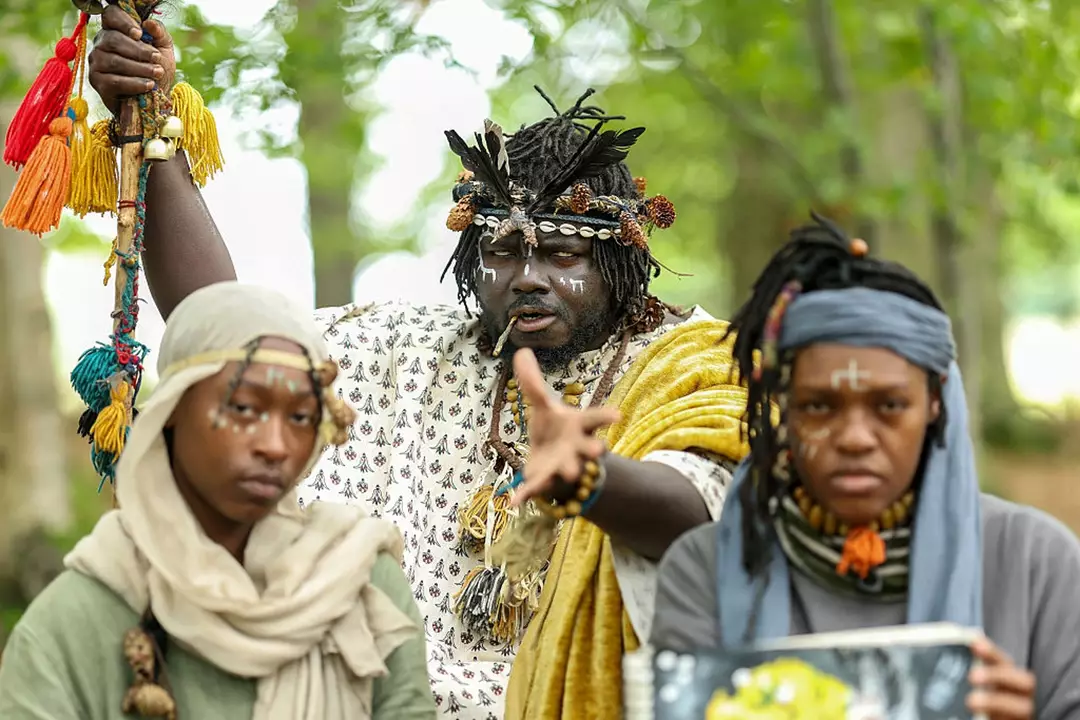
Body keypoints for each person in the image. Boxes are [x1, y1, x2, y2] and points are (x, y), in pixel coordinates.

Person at [85, 7, 750, 719]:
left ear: (621, 260)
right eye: (500, 252)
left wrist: (593, 479)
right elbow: (233, 339)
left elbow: (703, 516)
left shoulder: (692, 361)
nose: (526, 277)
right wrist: (153, 124)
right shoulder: (405, 348)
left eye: (562, 255)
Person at [650, 214, 1080, 719]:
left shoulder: (1035, 561)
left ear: (936, 403)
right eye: (819, 406)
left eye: (890, 406)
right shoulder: (703, 569)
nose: (855, 438)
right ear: (783, 407)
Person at [0, 282, 435, 719]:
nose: (275, 445)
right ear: (171, 412)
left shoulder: (363, 584)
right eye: (244, 408)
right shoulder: (73, 623)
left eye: (301, 417)